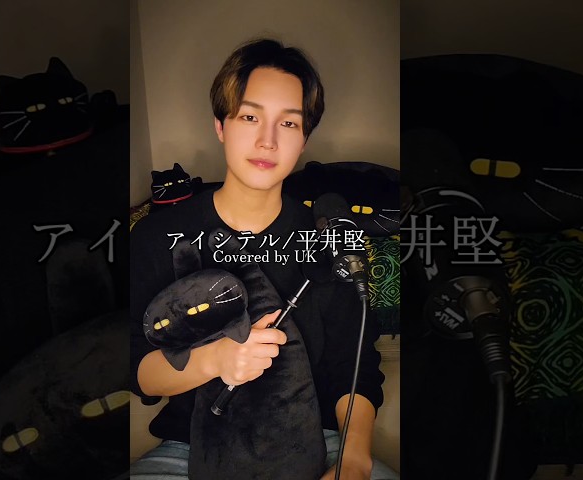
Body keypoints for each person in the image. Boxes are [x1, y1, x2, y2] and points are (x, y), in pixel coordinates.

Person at [130, 38, 398, 479]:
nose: (267, 141)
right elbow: (140, 370)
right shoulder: (158, 236)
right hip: (190, 448)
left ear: (305, 138)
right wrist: (217, 359)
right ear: (220, 125)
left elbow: (356, 367)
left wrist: (353, 459)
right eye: (250, 117)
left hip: (313, 440)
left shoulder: (327, 239)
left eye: (288, 123)